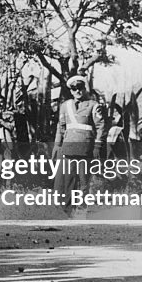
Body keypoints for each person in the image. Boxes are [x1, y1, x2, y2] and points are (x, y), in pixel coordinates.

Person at [52, 76, 107, 216]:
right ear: (71, 91)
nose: (77, 91)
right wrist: (57, 145)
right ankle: (67, 211)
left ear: (84, 89)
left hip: (85, 148)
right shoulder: (65, 106)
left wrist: (97, 146)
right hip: (69, 147)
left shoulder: (93, 105)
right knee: (68, 180)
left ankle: (82, 210)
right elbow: (61, 127)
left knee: (84, 181)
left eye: (80, 88)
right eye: (74, 89)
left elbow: (101, 127)